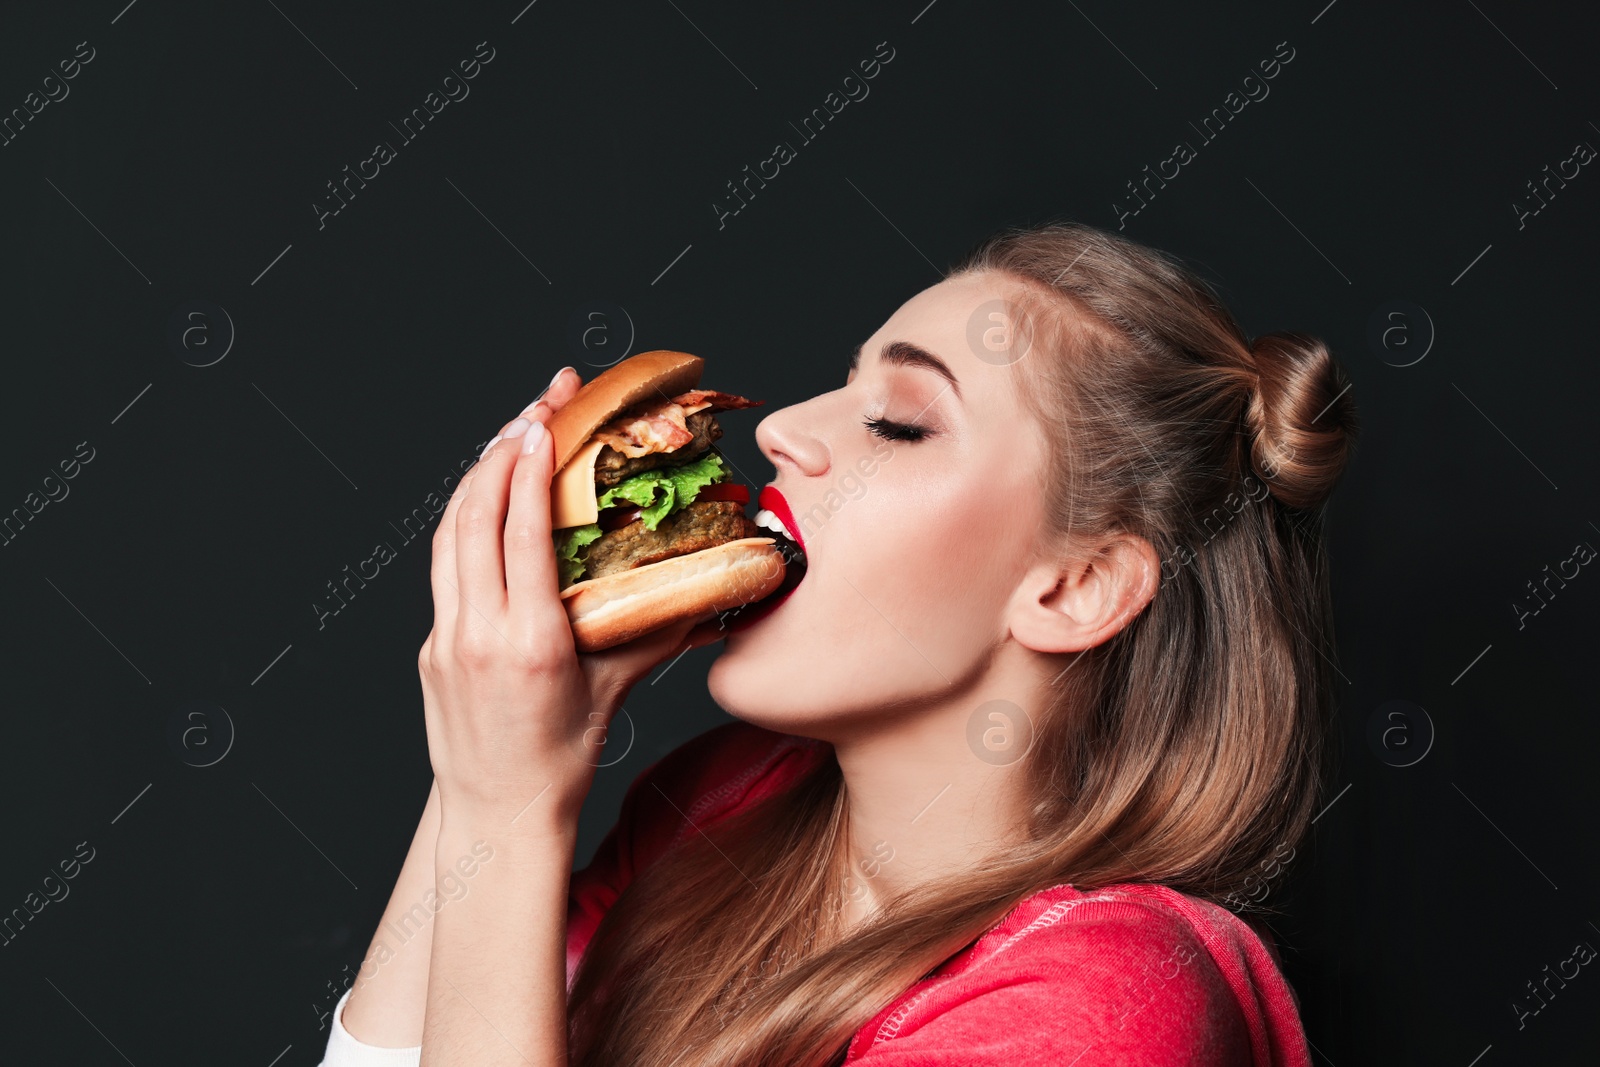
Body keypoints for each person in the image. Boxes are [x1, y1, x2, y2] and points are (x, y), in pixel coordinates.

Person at [317, 220, 1358, 1066]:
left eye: (899, 421)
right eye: (841, 381)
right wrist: (494, 771)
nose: (781, 428)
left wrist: (507, 799)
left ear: (1076, 586)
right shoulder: (721, 807)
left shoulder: (1114, 997)